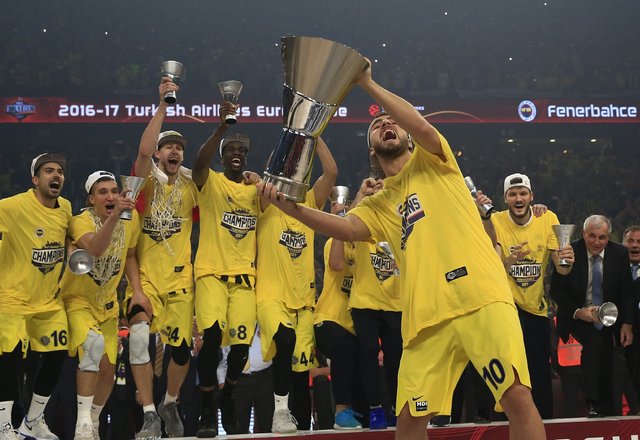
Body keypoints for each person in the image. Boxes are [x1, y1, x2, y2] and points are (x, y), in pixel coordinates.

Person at [258, 60, 545, 440]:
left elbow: (422, 126)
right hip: (425, 318)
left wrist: (367, 83)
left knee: (516, 397)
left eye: (391, 122)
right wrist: (287, 206)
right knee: (409, 420)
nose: (385, 124)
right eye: (376, 126)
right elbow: (345, 227)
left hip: (480, 297)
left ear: (408, 138)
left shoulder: (435, 162)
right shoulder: (378, 203)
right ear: (371, 152)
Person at [128, 77, 198, 438]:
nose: (175, 151)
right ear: (159, 153)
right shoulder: (146, 181)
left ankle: (170, 401)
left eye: (179, 148)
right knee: (139, 338)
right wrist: (163, 104)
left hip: (181, 281)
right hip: (147, 281)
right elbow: (142, 153)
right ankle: (149, 413)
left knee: (182, 352)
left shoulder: (191, 185)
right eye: (168, 146)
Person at [256, 137, 336, 434]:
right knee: (284, 340)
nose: (290, 172)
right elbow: (268, 179)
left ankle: (301, 428)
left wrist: (314, 136)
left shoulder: (309, 203)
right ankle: (279, 412)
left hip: (304, 302)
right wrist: (284, 153)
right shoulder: (265, 201)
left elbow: (331, 172)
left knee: (302, 376)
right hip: (271, 296)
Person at [191, 103, 258, 437]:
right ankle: (207, 409)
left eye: (241, 151)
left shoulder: (254, 191)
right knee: (213, 339)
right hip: (211, 273)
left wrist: (261, 182)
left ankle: (227, 395)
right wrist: (221, 128)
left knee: (242, 348)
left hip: (245, 277)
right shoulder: (211, 182)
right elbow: (198, 163)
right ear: (222, 156)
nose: (236, 153)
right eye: (230, 149)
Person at [60, 171, 141, 439]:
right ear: (91, 199)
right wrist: (116, 215)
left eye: (114, 190)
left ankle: (93, 422)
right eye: (103, 192)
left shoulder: (131, 220)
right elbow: (94, 249)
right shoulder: (79, 221)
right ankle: (82, 422)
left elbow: (130, 255)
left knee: (108, 370)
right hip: (78, 300)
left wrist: (138, 291)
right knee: (93, 348)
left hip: (108, 305)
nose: (110, 196)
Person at [489, 172, 575, 418]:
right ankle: (504, 424)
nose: (518, 199)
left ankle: (544, 423)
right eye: (513, 194)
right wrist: (509, 260)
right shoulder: (496, 220)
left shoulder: (547, 218)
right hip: (506, 307)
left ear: (531, 196)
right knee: (507, 371)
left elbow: (562, 269)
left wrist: (568, 259)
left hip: (536, 309)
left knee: (539, 371)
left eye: (523, 193)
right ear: (505, 198)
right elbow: (494, 269)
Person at [0, 153, 71, 440]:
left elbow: (70, 239)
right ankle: (3, 424)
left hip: (48, 301)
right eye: (48, 171)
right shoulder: (13, 206)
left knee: (58, 354)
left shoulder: (66, 208)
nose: (56, 176)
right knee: (10, 360)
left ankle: (32, 421)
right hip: (11, 298)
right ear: (35, 179)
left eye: (60, 172)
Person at [551, 215, 634, 417]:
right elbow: (556, 291)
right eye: (592, 236)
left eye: (602, 237)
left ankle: (609, 408)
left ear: (609, 237)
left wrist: (627, 323)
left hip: (609, 316)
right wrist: (579, 312)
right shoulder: (569, 251)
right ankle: (593, 403)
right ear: (583, 234)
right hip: (576, 315)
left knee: (609, 355)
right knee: (594, 343)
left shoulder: (620, 253)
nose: (597, 242)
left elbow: (627, 292)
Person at [313, 201, 362, 430]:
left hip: (354, 325)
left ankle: (369, 409)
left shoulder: (367, 250)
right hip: (328, 319)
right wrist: (339, 223)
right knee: (344, 346)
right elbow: (336, 263)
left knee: (366, 358)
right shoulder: (334, 243)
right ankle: (341, 410)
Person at [216, 325, 274, 434]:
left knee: (267, 425)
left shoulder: (266, 321)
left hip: (265, 378)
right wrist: (222, 381)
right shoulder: (231, 325)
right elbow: (224, 357)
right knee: (237, 429)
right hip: (237, 381)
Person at [623, 225, 640, 410]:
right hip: (620, 337)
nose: (635, 245)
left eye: (639, 242)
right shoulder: (611, 270)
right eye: (630, 241)